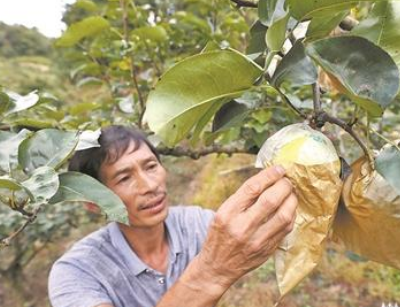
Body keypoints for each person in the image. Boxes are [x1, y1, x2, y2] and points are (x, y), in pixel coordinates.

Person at [48, 125, 297, 307]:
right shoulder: (76, 272)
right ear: (92, 202)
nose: (149, 185)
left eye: (151, 166)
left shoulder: (196, 224)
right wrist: (212, 271)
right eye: (124, 178)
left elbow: (263, 232)